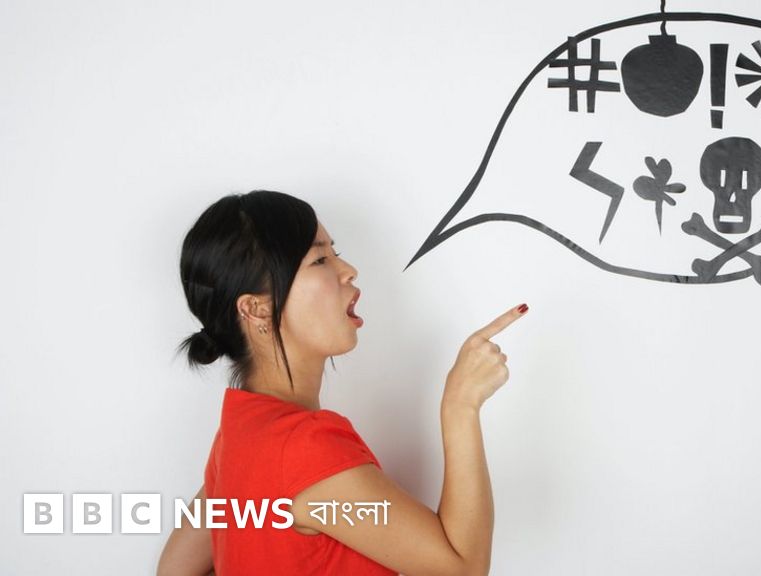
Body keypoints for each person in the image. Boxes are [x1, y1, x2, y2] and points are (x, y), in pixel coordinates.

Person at [157, 190, 527, 575]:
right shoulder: (304, 449)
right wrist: (461, 405)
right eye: (319, 259)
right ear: (257, 308)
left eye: (335, 252)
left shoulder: (239, 432)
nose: (348, 269)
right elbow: (462, 568)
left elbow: (174, 569)